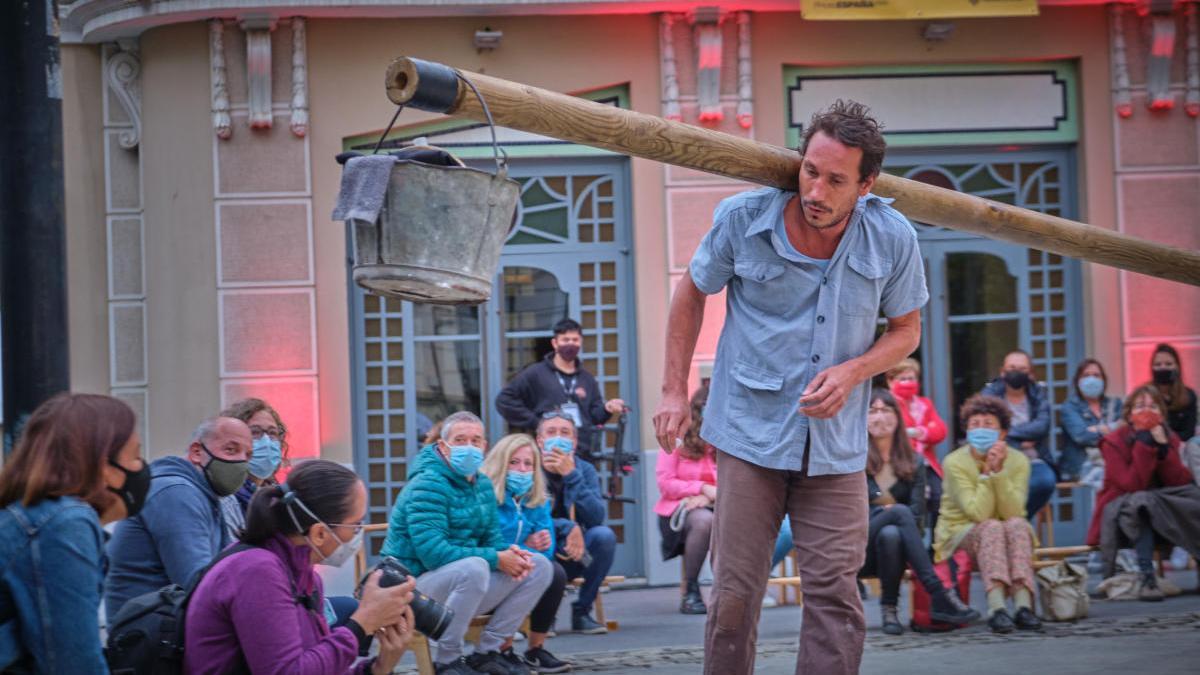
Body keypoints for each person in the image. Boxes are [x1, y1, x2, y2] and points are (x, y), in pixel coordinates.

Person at [654, 100, 928, 674]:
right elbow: (691, 293)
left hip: (834, 445)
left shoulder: (892, 237)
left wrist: (855, 370)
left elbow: (906, 332)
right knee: (733, 598)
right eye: (810, 171)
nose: (817, 191)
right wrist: (674, 392)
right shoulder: (742, 218)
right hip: (749, 434)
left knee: (835, 598)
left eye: (835, 180)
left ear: (866, 184)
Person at [185, 459, 414, 674]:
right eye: (356, 525)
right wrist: (363, 623)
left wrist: (380, 666)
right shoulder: (257, 571)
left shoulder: (305, 577)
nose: (358, 534)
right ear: (319, 533)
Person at [381, 411, 551, 675]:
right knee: (475, 567)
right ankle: (447, 660)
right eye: (460, 440)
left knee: (538, 565)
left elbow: (492, 541)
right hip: (411, 590)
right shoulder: (427, 484)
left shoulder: (482, 484)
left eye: (475, 440)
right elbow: (433, 554)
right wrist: (496, 558)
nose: (469, 447)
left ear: (484, 447)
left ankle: (487, 653)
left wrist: (510, 553)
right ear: (443, 447)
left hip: (459, 588)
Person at [0, 394, 148, 674]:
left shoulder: (36, 514)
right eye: (135, 455)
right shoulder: (64, 523)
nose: (141, 468)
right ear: (103, 463)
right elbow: (74, 663)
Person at [656, 386, 795, 614]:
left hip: (722, 505)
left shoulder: (729, 440)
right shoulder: (676, 440)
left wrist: (710, 494)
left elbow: (739, 479)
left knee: (770, 525)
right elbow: (665, 482)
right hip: (680, 513)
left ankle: (741, 587)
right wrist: (701, 489)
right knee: (704, 522)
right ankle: (691, 592)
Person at [104, 416, 253, 623]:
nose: (241, 462)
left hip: (164, 630)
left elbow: (225, 569)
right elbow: (200, 584)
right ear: (196, 452)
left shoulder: (206, 495)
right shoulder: (177, 493)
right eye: (231, 450)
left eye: (247, 455)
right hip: (148, 641)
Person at [861, 389, 979, 634]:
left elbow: (917, 519)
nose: (879, 417)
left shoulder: (914, 462)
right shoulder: (853, 459)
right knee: (898, 513)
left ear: (898, 417)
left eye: (886, 410)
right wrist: (889, 511)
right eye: (872, 411)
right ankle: (938, 593)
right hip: (859, 546)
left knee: (893, 532)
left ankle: (890, 611)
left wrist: (888, 512)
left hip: (896, 547)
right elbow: (855, 513)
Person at [934, 395, 1042, 634]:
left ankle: (1024, 607)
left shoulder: (1019, 461)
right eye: (975, 424)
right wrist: (987, 474)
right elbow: (977, 512)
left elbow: (1014, 511)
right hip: (960, 534)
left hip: (1005, 532)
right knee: (992, 527)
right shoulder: (954, 462)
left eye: (988, 424)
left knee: (1017, 525)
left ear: (1002, 433)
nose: (980, 429)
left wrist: (1000, 472)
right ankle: (998, 609)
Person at [1086, 385, 1200, 600]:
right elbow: (1131, 484)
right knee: (1142, 501)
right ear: (1129, 414)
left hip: (1162, 511)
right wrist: (1144, 446)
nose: (1146, 411)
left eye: (1153, 407)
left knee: (1193, 498)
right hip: (1122, 513)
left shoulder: (1168, 436)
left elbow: (1177, 482)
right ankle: (1147, 575)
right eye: (1140, 407)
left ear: (1161, 414)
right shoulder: (1113, 442)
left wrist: (1164, 449)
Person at [481, 434, 572, 674]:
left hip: (520, 565)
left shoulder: (537, 498)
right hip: (489, 570)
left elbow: (547, 547)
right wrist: (524, 543)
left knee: (555, 572)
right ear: (501, 463)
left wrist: (528, 547)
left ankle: (535, 649)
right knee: (519, 570)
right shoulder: (486, 495)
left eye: (528, 464)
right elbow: (489, 542)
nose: (521, 469)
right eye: (514, 462)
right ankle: (501, 649)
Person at [495, 318, 625, 458]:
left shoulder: (587, 379)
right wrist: (536, 422)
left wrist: (607, 409)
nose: (570, 344)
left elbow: (594, 417)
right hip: (547, 453)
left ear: (580, 342)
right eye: (565, 340)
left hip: (582, 453)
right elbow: (504, 400)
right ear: (555, 343)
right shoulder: (535, 373)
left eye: (575, 340)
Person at [537, 411, 617, 635]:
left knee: (604, 536)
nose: (558, 437)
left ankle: (582, 611)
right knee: (540, 537)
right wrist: (567, 526)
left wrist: (572, 476)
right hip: (543, 549)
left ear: (574, 441)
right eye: (551, 432)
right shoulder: (528, 467)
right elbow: (527, 521)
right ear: (539, 440)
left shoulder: (584, 469)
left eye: (565, 433)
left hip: (576, 551)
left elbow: (595, 517)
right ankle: (544, 615)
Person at [979, 350, 1056, 518]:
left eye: (1022, 369)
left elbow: (1042, 427)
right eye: (1012, 367)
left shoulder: (1039, 394)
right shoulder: (989, 395)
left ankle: (1017, 520)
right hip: (999, 459)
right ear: (1002, 371)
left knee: (1045, 482)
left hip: (1033, 459)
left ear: (1031, 374)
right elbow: (989, 430)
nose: (1016, 372)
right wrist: (1021, 442)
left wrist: (1007, 434)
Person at [885, 358, 947, 531]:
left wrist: (918, 432)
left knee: (939, 498)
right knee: (908, 504)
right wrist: (924, 431)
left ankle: (935, 550)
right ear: (890, 381)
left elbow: (941, 431)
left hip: (926, 463)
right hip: (897, 463)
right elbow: (893, 433)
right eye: (902, 379)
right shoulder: (886, 403)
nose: (908, 383)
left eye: (911, 378)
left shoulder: (924, 404)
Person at [218, 397, 288, 541]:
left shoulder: (276, 496)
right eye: (255, 432)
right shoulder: (225, 498)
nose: (267, 441)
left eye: (272, 433)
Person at [1059, 358, 1123, 482]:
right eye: (1086, 375)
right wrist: (1112, 429)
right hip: (1081, 465)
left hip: (1112, 461)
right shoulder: (1070, 407)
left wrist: (1098, 429)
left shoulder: (1115, 404)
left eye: (1096, 375)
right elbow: (1081, 436)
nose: (1091, 379)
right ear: (1078, 381)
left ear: (1104, 380)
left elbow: (1123, 434)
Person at [1148, 343, 1198, 442]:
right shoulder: (1144, 394)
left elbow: (1188, 433)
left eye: (1168, 364)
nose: (1163, 368)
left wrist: (1166, 439)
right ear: (1152, 368)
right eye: (1158, 364)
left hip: (1180, 447)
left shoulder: (1189, 395)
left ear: (1177, 367)